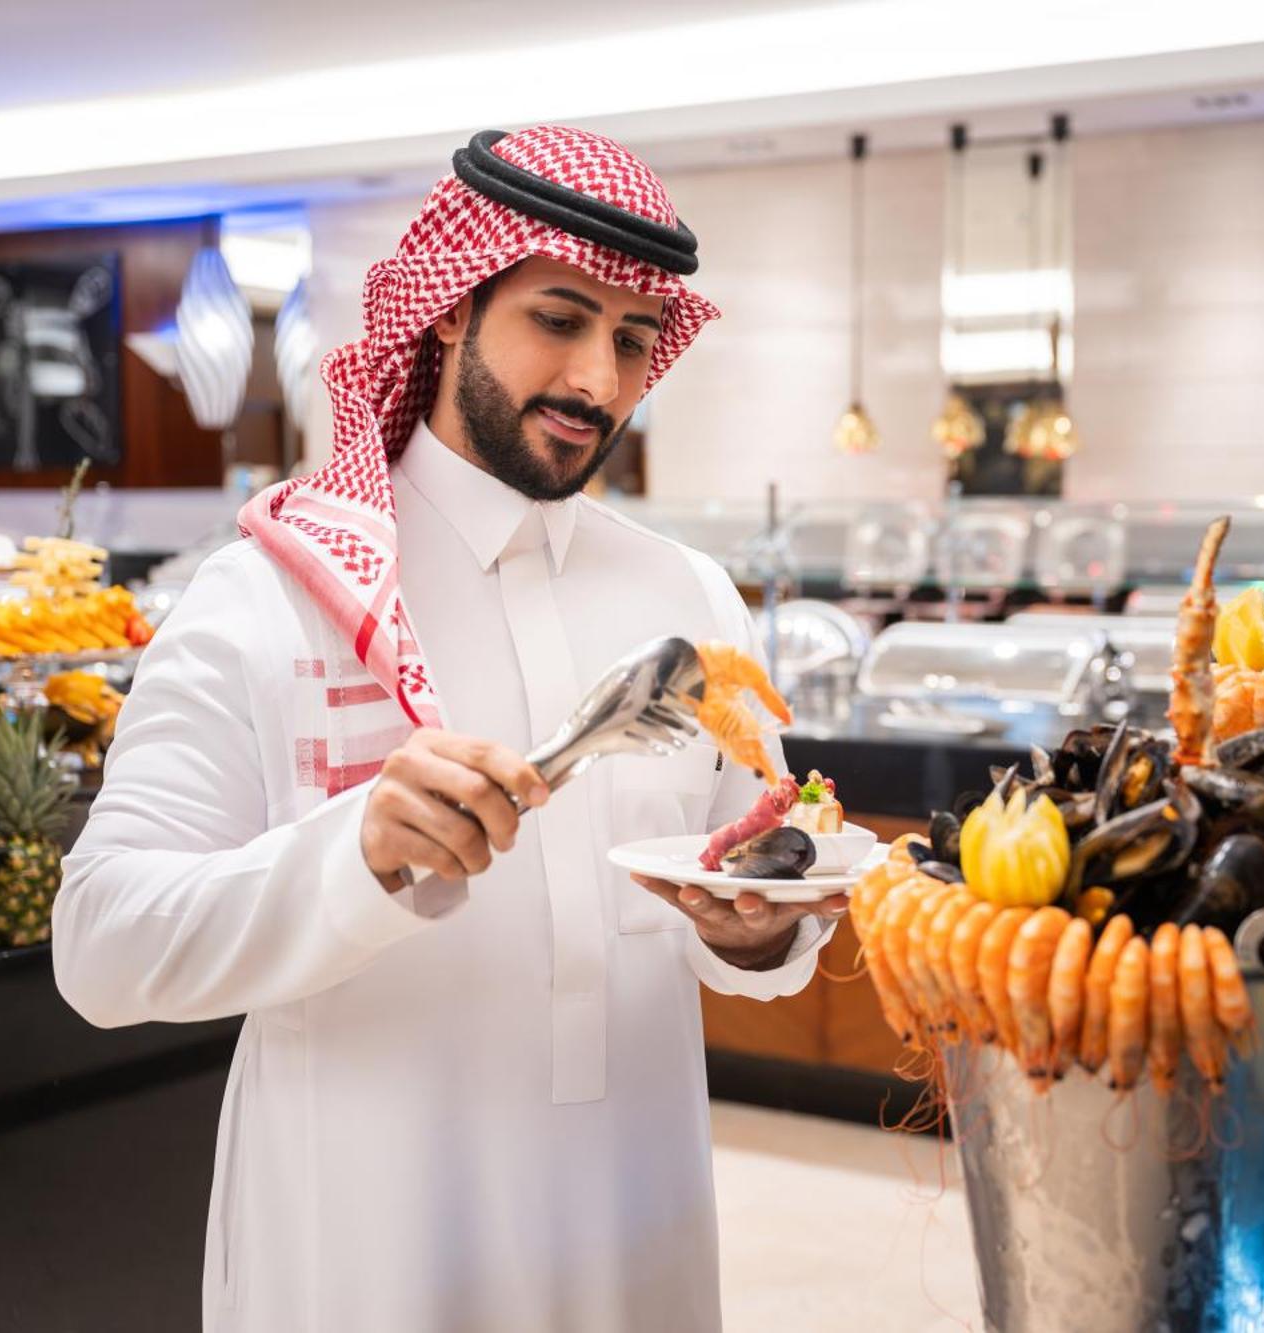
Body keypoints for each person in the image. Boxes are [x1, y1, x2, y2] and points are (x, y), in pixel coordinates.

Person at [52, 126, 846, 1332]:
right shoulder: (275, 592)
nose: (598, 379)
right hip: (365, 1251)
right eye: (559, 317)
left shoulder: (685, 598)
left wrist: (749, 935)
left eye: (634, 340)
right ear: (444, 311)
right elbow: (101, 946)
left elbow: (743, 878)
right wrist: (353, 853)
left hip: (637, 1241)